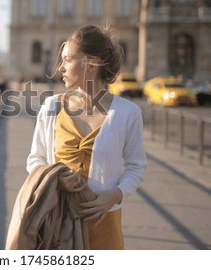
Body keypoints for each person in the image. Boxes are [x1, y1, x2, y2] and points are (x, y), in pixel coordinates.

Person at [25, 24, 147, 249]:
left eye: (68, 60)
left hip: (105, 224)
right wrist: (54, 178)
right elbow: (35, 159)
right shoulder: (51, 107)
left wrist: (116, 195)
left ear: (92, 63)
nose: (61, 67)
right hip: (57, 223)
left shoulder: (128, 113)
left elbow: (136, 167)